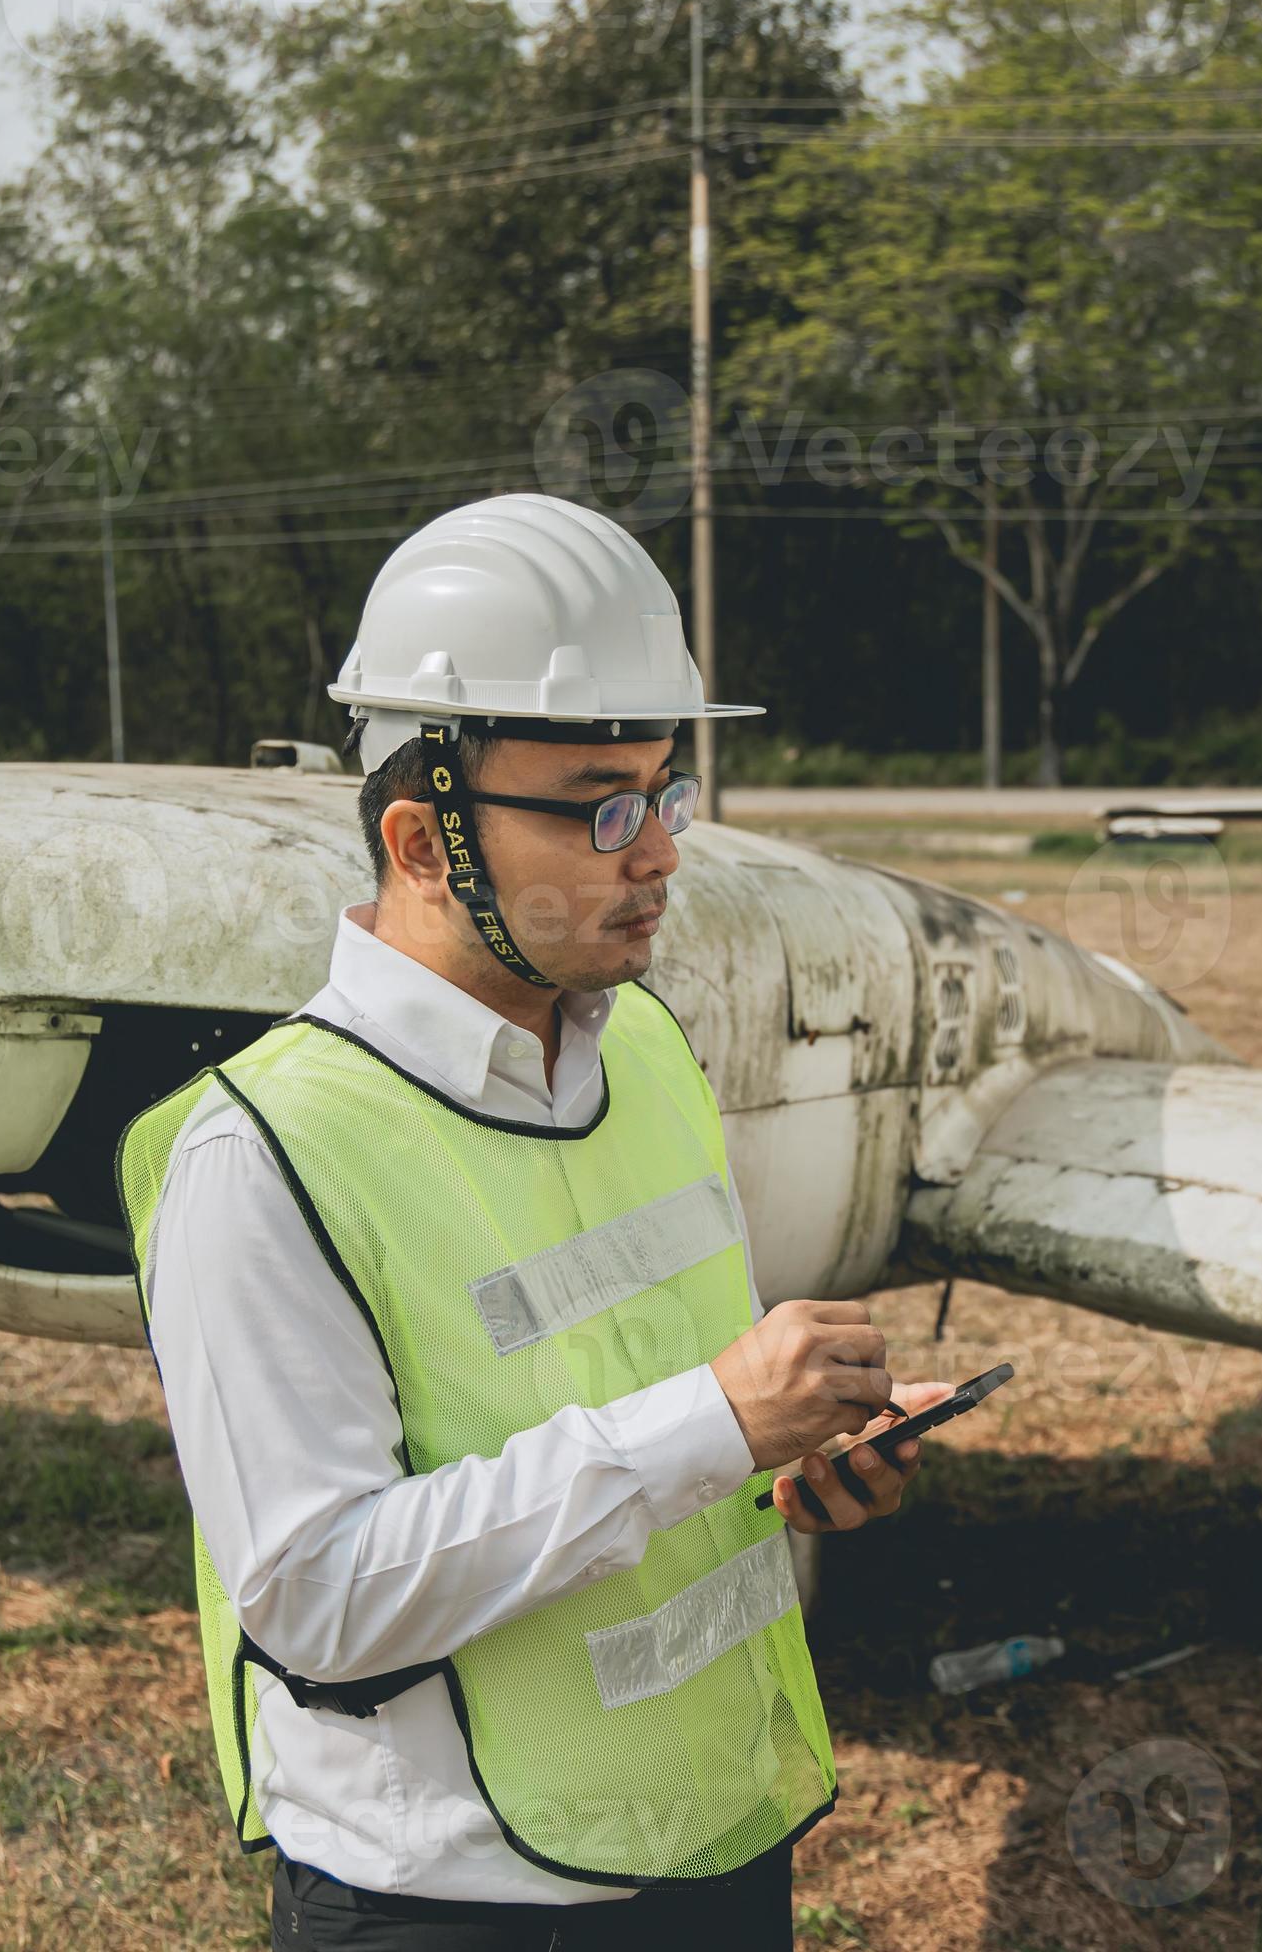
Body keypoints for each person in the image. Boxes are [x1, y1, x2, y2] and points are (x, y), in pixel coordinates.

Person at [116, 493, 952, 1950]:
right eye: (601, 807)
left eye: (669, 794)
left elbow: (651, 1393)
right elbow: (313, 1598)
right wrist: (713, 1422)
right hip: (457, 1899)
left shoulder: (643, 1049)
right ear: (422, 839)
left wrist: (796, 1457)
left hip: (710, 1840)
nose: (661, 855)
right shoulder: (264, 1156)